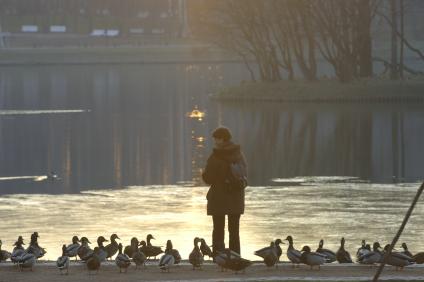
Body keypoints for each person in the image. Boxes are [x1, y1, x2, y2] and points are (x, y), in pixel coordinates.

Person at [202, 127, 247, 256]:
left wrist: (204, 174)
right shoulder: (239, 154)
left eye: (216, 138)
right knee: (234, 231)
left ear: (222, 138)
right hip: (235, 198)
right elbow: (245, 173)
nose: (215, 141)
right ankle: (235, 256)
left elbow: (208, 178)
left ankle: (218, 257)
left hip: (219, 198)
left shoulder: (216, 155)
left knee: (218, 230)